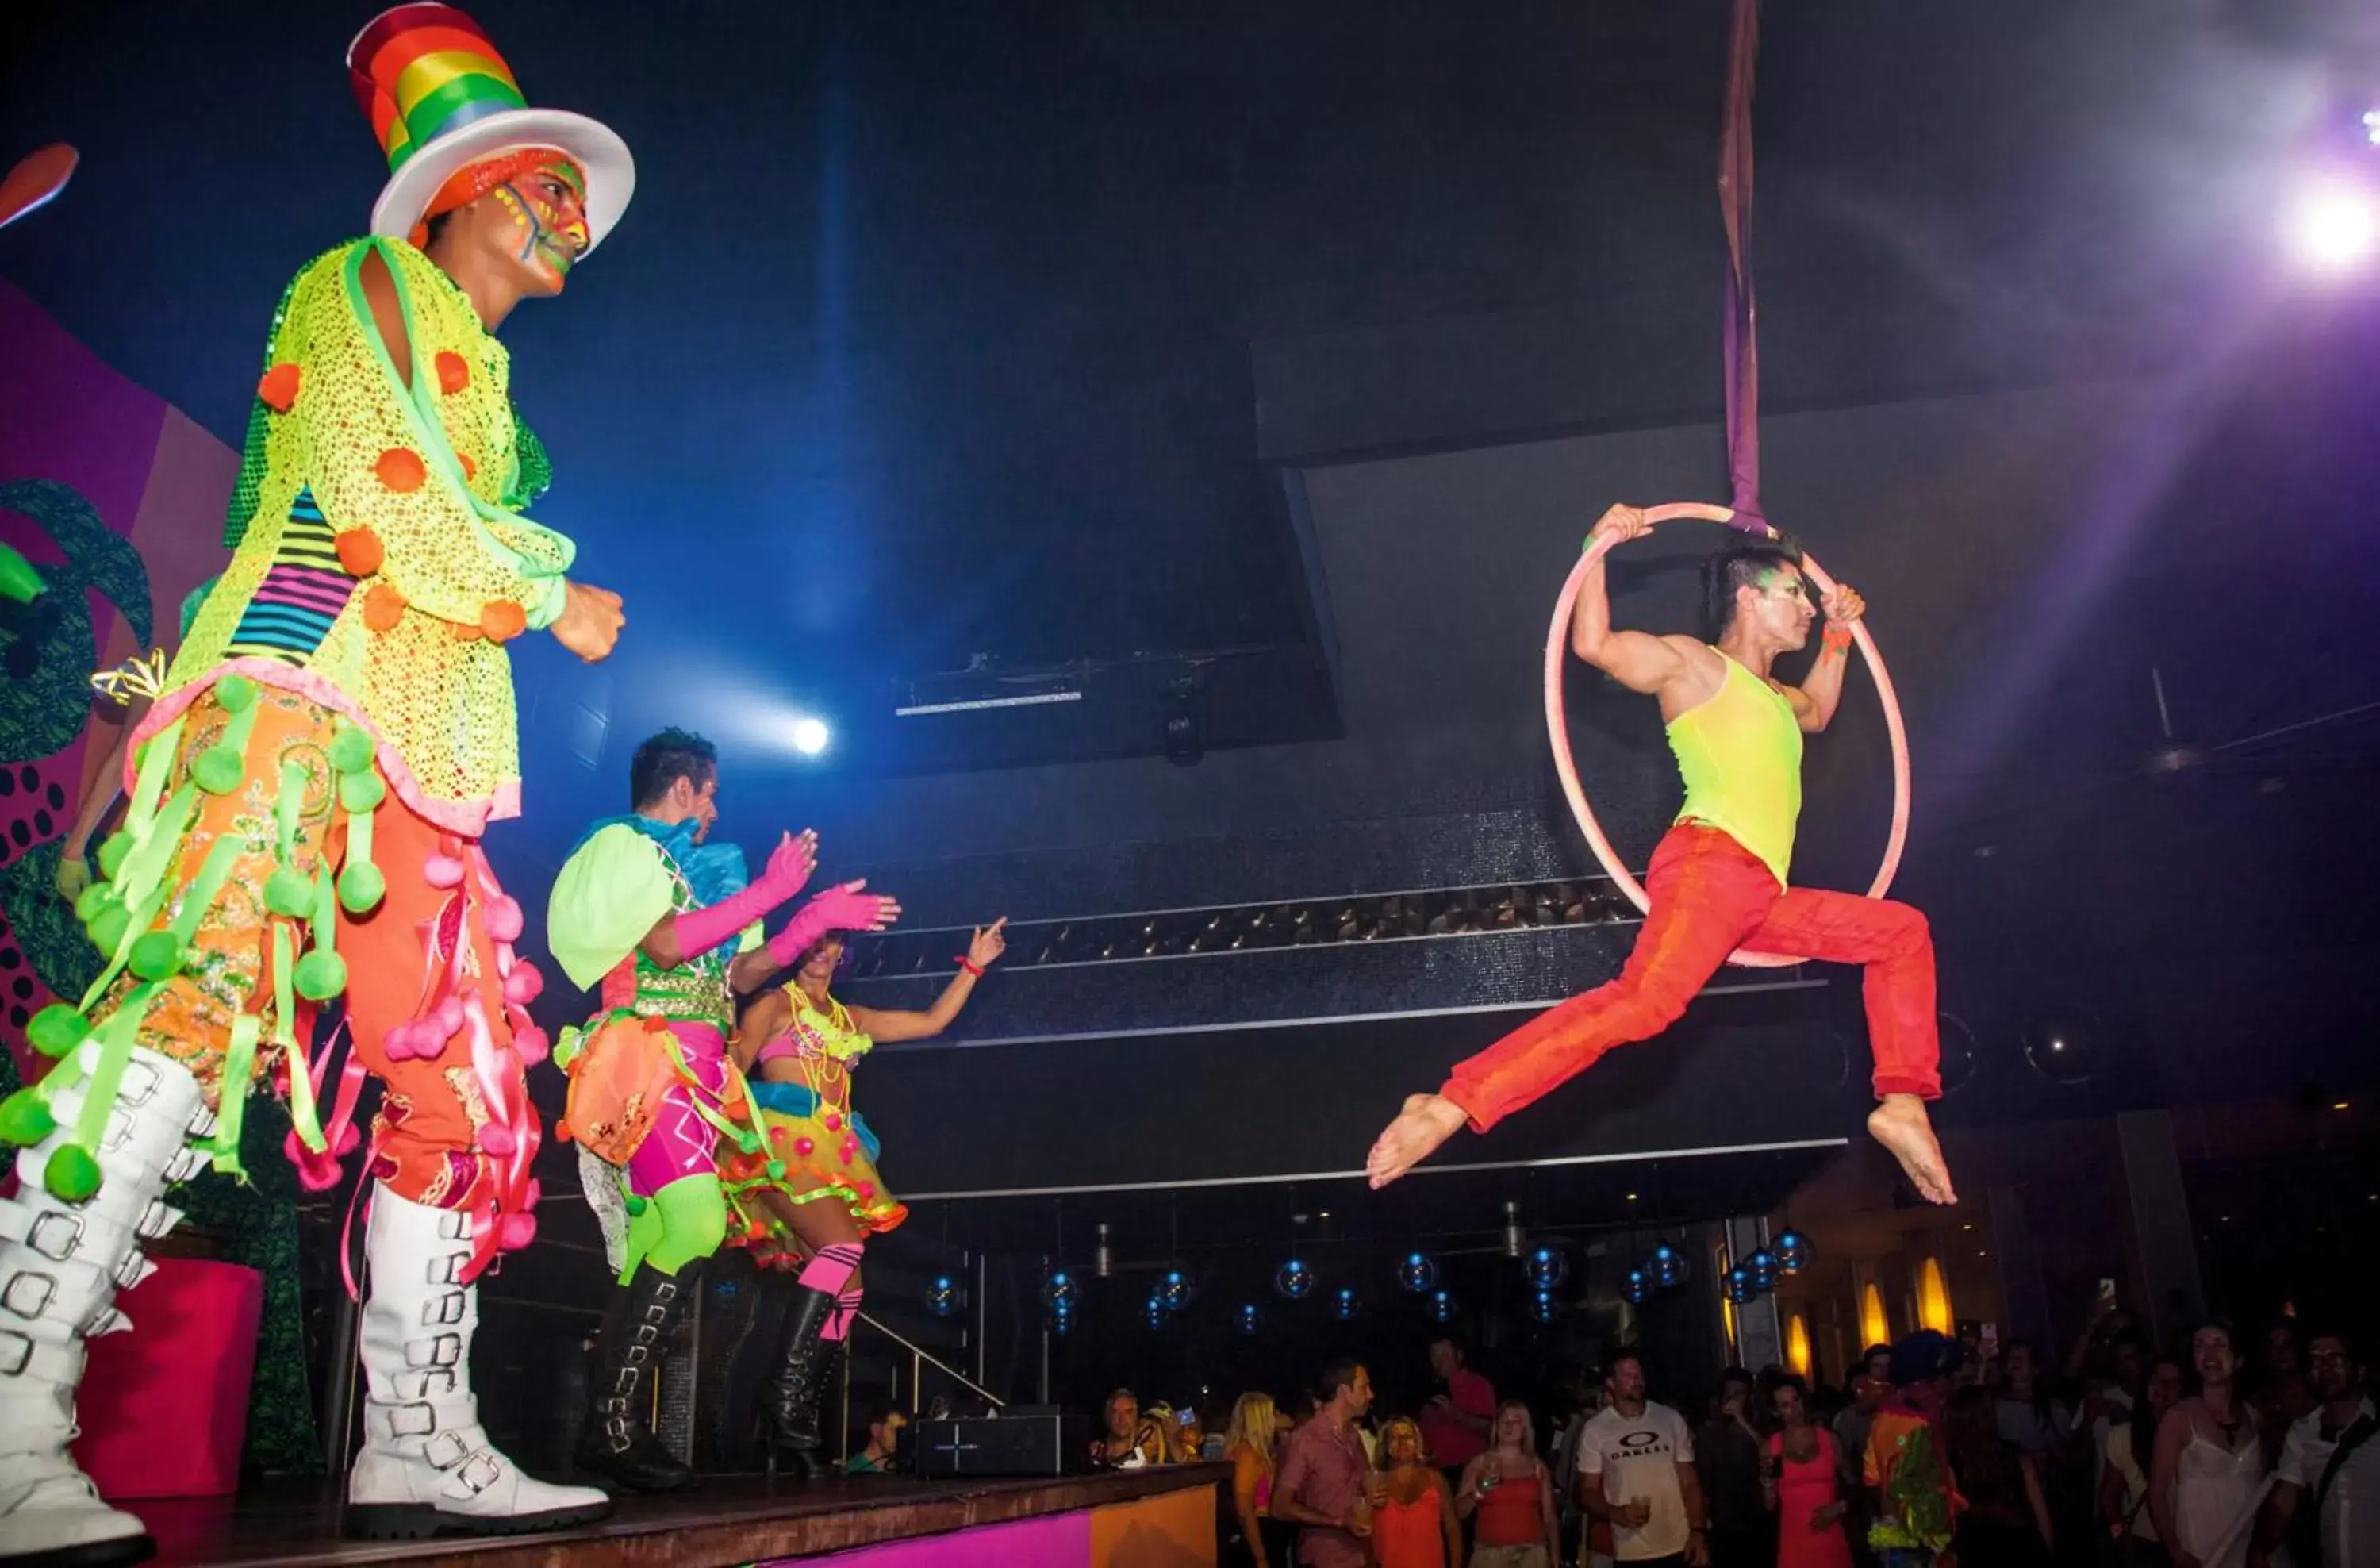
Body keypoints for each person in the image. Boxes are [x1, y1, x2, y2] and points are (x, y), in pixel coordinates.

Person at [0, 4, 637, 1552]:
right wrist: (548, 592)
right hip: (296, 706)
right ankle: (13, 1420)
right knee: (182, 1011)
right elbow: (380, 489)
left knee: (465, 1096)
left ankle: (415, 1439)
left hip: (422, 769)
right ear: (466, 190)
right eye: (547, 186)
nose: (571, 219)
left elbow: (445, 515)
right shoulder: (362, 284)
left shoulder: (487, 378)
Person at [1366, 505, 1952, 1207]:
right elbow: (1596, 645)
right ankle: (1450, 1104)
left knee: (1900, 933)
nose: (1805, 603)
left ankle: (1905, 1100)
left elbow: (1820, 712)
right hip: (1711, 864)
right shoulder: (1696, 666)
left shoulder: (1776, 696)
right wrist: (1598, 547)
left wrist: (1837, 635)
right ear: (1750, 597)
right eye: (1794, 592)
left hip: (1761, 896)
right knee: (1645, 1004)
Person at [546, 729, 896, 1489]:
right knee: (699, 1222)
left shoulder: (706, 871)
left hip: (703, 1074)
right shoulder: (627, 849)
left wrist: (801, 924)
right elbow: (667, 948)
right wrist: (768, 894)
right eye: (708, 792)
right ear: (682, 788)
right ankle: (610, 1422)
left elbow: (738, 971)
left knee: (656, 1241)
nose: (713, 807)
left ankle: (610, 1429)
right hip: (649, 1056)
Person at [716, 915, 1002, 1468]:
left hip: (832, 1153)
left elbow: (931, 1021)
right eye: (815, 939)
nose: (822, 950)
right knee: (842, 1248)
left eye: (833, 941)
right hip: (779, 1144)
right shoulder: (776, 1004)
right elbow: (733, 1067)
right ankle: (781, 1390)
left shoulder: (852, 1017)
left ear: (844, 950)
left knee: (849, 1293)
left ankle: (791, 1410)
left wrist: (974, 967)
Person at [2251, 1328, 2373, 1568]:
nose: (2325, 1368)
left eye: (2335, 1359)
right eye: (2316, 1360)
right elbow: (2283, 1500)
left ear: (2359, 1371)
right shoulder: (2303, 1432)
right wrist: (2258, 1549)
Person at [2149, 1321, 2267, 1568]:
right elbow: (2157, 1494)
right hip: (2201, 1551)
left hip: (2249, 1548)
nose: (2209, 1355)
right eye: (2199, 1346)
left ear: (2239, 1359)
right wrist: (2176, 1553)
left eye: (2218, 1344)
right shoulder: (2179, 1418)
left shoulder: (2253, 1415)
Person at [1577, 1349, 1708, 1567]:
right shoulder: (1595, 1430)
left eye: (1639, 1375)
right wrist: (1614, 1512)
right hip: (1632, 1550)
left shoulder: (1670, 1419)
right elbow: (1588, 1490)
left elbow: (1690, 1482)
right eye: (1628, 1376)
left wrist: (1698, 1531)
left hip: (1680, 1543)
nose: (1636, 1381)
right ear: (1611, 1383)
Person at [1864, 1332, 1963, 1565]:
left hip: (1900, 1535)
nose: (1949, 1383)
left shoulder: (1883, 1418)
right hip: (1921, 1536)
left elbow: (1871, 1477)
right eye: (1946, 1375)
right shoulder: (1920, 1423)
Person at [1275, 1359, 1378, 1568]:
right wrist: (1339, 1522)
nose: (1371, 1395)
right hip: (1325, 1559)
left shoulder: (1353, 1437)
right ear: (1343, 1391)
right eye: (1364, 1387)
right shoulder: (1305, 1440)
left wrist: (1374, 1494)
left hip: (1362, 1556)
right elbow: (1279, 1507)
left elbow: (1364, 1488)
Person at [1943, 1385, 2052, 1565]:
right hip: (2026, 1552)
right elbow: (2042, 1516)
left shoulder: (1953, 1468)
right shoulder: (2018, 1458)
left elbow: (1951, 1525)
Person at [1455, 1401, 1563, 1568]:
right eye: (1504, 1420)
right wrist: (1479, 1489)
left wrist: (1556, 1559)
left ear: (1525, 1429)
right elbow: (1459, 1512)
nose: (1508, 1425)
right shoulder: (1479, 1463)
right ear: (1496, 1426)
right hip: (1490, 1556)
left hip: (1532, 1555)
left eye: (1516, 1421)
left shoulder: (1537, 1466)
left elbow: (1550, 1517)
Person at [2102, 1354, 2182, 1565]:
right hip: (2145, 1548)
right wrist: (2119, 1534)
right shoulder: (2122, 1436)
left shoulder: (2196, 1437)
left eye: (2173, 1381)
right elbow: (2109, 1496)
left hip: (2190, 1543)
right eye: (2157, 1378)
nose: (2163, 1386)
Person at [1764, 1376, 1852, 1568]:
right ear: (1776, 1411)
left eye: (1796, 1400)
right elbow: (1769, 1505)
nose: (1794, 1409)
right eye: (1785, 1405)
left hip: (1831, 1538)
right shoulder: (1772, 1446)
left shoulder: (1829, 1440)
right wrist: (1768, 1483)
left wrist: (1839, 1508)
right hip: (1794, 1542)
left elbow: (1855, 1486)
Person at [1696, 1368, 1769, 1568]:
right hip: (1724, 1525)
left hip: (1759, 1521)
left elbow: (1769, 1451)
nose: (1734, 1400)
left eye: (1740, 1394)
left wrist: (1742, 1421)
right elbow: (1704, 1481)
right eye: (1730, 1394)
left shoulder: (1760, 1427)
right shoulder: (1709, 1435)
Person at [1370, 1416, 1464, 1568]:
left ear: (1417, 1442)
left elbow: (1453, 1530)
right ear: (1385, 1446)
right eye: (1394, 1437)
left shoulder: (1435, 1480)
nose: (1402, 1442)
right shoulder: (1375, 1483)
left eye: (1407, 1436)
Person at [1223, 1392, 1289, 1568]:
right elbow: (1244, 1509)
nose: (1275, 1418)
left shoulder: (1255, 1453)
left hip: (1261, 1532)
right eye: (1272, 1413)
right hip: (1258, 1534)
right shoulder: (1247, 1455)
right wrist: (1260, 1556)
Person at [1421, 1337, 1498, 1482]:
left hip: (1471, 1472)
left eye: (1446, 1354)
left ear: (1459, 1356)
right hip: (1436, 1474)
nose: (1440, 1361)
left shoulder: (1478, 1385)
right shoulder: (1427, 1392)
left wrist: (1457, 1415)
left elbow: (1491, 1429)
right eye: (1435, 1356)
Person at [1092, 1389, 1169, 1470]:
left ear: (1135, 1415)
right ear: (1107, 1415)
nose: (1122, 1419)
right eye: (1115, 1412)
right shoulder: (1097, 1452)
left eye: (1128, 1412)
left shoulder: (1148, 1444)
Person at [845, 1406, 906, 1474]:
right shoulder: (854, 1470)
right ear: (876, 1429)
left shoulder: (904, 1470)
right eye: (892, 1430)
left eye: (902, 1431)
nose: (898, 1436)